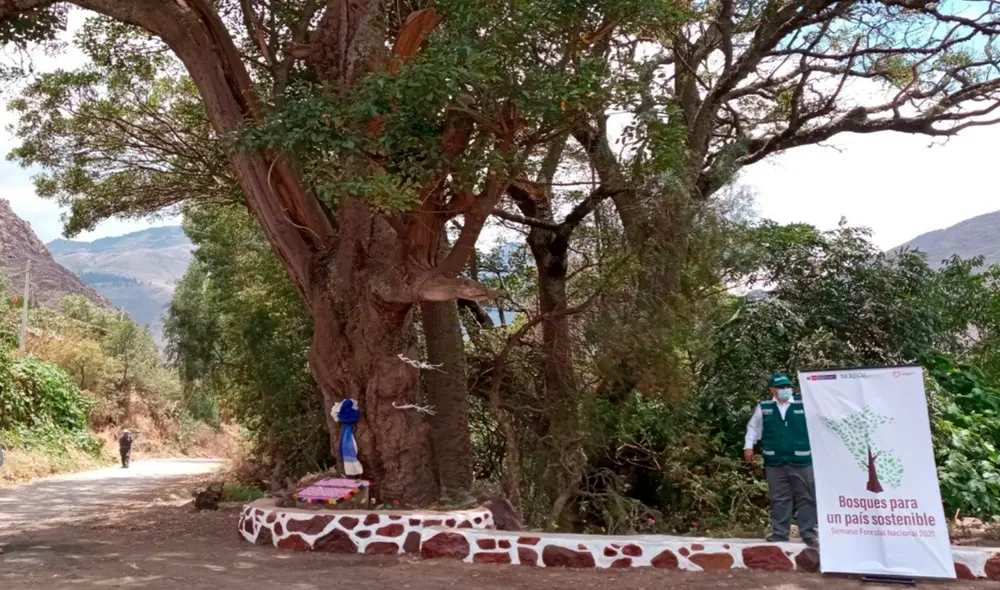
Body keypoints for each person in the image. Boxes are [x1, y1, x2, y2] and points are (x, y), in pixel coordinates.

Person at [744, 373, 819, 549]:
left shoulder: (804, 403)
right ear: (772, 390)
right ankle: (780, 533)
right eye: (781, 387)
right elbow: (753, 427)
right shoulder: (765, 407)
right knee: (779, 497)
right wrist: (748, 446)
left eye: (787, 386)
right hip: (775, 460)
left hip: (801, 459)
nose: (785, 390)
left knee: (807, 496)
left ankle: (808, 533)